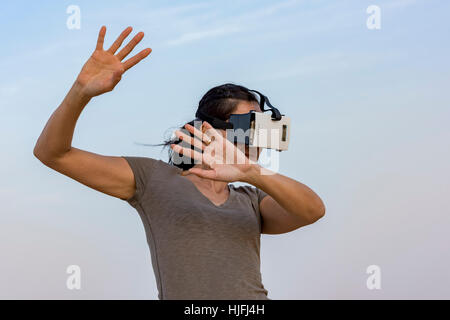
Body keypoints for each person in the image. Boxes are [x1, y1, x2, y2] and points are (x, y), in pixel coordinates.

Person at [33, 26, 326, 300]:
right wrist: (80, 92)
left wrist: (252, 172)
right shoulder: (153, 179)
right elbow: (53, 153)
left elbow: (313, 211)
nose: (256, 139)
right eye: (247, 126)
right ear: (208, 129)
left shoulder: (251, 199)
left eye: (261, 128)